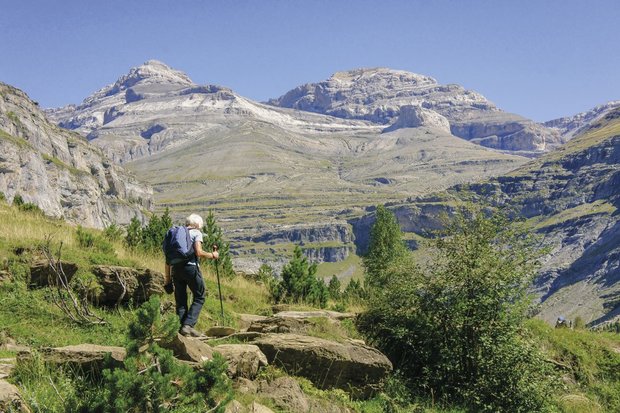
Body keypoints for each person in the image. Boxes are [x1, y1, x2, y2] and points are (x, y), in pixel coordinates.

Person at [164, 213, 219, 337]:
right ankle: (188, 325)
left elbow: (167, 260)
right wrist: (213, 255)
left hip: (175, 270)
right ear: (197, 224)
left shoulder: (175, 235)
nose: (201, 228)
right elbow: (199, 252)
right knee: (200, 296)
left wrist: (167, 280)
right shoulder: (196, 233)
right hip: (190, 268)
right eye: (201, 225)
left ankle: (181, 329)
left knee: (181, 300)